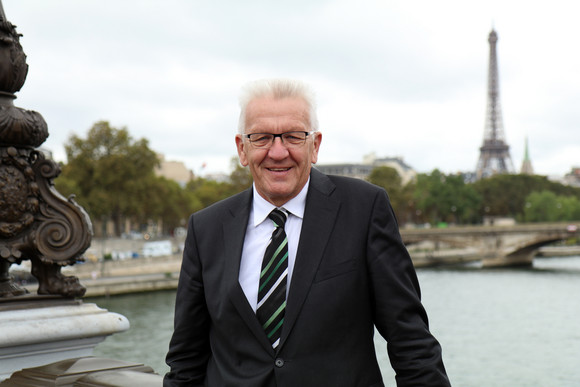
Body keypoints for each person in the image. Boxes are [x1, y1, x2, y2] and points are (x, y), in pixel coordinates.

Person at [164, 78, 451, 386]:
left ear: (315, 146)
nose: (278, 152)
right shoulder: (206, 228)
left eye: (293, 136)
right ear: (242, 149)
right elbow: (186, 360)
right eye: (261, 137)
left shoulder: (364, 210)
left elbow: (410, 340)